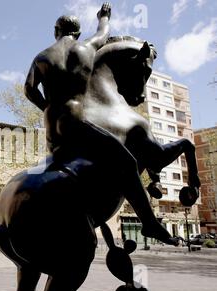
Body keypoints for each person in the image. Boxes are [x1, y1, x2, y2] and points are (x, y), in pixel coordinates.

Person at [24, 2, 177, 246]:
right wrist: (103, 17)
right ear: (76, 33)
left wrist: (48, 108)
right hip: (76, 122)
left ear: (56, 31)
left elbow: (29, 90)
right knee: (126, 161)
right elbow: (103, 34)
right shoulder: (86, 48)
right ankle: (149, 223)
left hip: (53, 128)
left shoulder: (41, 57)